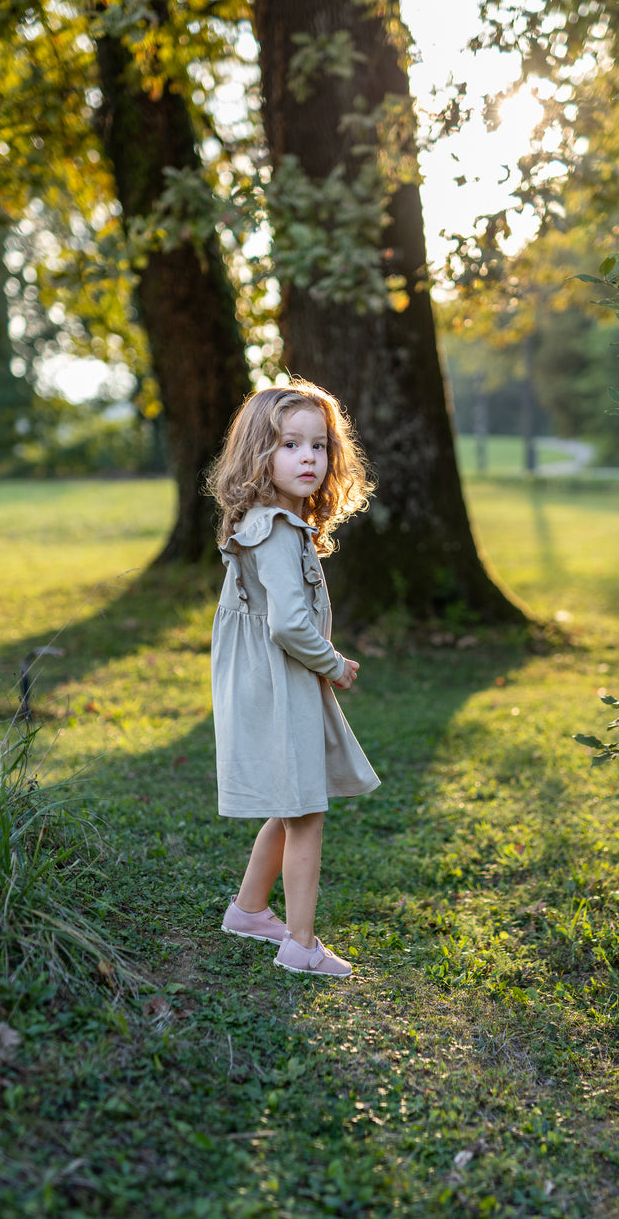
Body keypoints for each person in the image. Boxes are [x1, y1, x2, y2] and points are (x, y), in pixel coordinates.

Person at [206, 380, 380, 978]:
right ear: (260, 453)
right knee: (306, 811)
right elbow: (288, 625)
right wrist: (334, 664)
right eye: (289, 444)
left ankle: (251, 910)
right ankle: (301, 944)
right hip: (279, 680)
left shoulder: (265, 519)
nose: (308, 457)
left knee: (291, 801)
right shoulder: (276, 528)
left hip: (269, 682)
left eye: (319, 445)